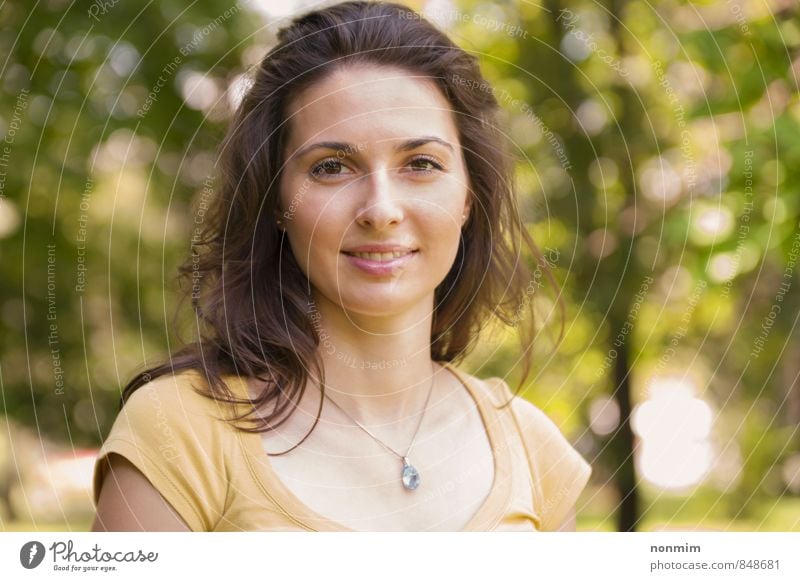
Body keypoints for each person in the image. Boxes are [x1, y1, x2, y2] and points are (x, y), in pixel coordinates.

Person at [91, 0, 591, 532]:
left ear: (469, 195)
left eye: (421, 164)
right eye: (331, 167)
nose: (380, 210)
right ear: (276, 202)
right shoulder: (178, 434)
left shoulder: (534, 452)